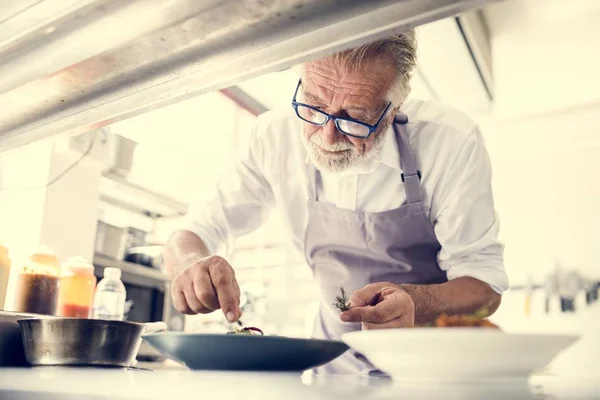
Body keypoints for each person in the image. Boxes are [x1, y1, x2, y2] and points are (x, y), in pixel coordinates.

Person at [163, 29, 509, 374]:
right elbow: (194, 231)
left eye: (354, 116)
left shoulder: (450, 142)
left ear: (393, 108)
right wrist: (190, 262)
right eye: (314, 106)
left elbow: (485, 287)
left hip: (431, 373)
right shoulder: (273, 137)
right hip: (331, 368)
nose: (327, 135)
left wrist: (416, 302)